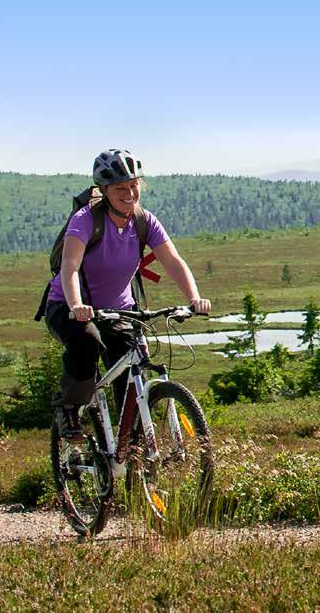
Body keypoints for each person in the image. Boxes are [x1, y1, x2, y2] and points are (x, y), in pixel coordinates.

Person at [44, 148, 211, 440]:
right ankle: (70, 409)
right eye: (120, 188)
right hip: (67, 305)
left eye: (134, 185)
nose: (130, 193)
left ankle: (130, 449)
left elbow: (172, 261)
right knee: (85, 342)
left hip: (120, 310)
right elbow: (70, 267)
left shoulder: (144, 221)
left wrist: (194, 298)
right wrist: (77, 305)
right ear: (104, 190)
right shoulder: (86, 220)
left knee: (132, 373)